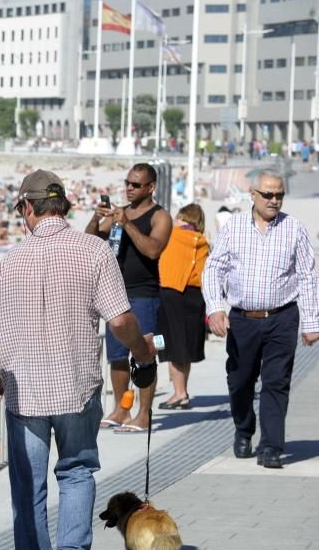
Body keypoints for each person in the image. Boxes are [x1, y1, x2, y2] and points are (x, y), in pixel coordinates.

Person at [0, 170, 157, 550]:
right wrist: (144, 352)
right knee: (77, 471)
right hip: (76, 385)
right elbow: (119, 320)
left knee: (29, 485)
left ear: (27, 208)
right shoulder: (95, 251)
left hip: (25, 392)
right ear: (63, 206)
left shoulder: (10, 262)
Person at [202, 170, 319, 469]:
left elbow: (308, 277)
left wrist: (311, 322)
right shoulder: (234, 228)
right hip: (242, 319)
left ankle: (271, 447)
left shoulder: (294, 229)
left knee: (276, 382)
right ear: (252, 194)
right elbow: (214, 269)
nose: (274, 200)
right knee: (240, 381)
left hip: (282, 317)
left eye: (279, 194)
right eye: (267, 194)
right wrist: (216, 308)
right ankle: (243, 429)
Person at [85, 163, 172, 433]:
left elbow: (153, 251)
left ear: (151, 187)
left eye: (136, 185)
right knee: (117, 356)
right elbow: (90, 242)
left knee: (145, 354)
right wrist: (95, 218)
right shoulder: (119, 213)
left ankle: (144, 414)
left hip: (145, 295)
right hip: (115, 294)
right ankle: (122, 409)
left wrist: (127, 224)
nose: (129, 189)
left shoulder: (160, 216)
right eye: (127, 183)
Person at [156, 204, 210, 410]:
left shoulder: (172, 235)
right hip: (195, 296)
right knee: (185, 347)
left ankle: (179, 394)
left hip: (172, 292)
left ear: (182, 218)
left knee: (173, 347)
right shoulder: (202, 241)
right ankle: (182, 390)